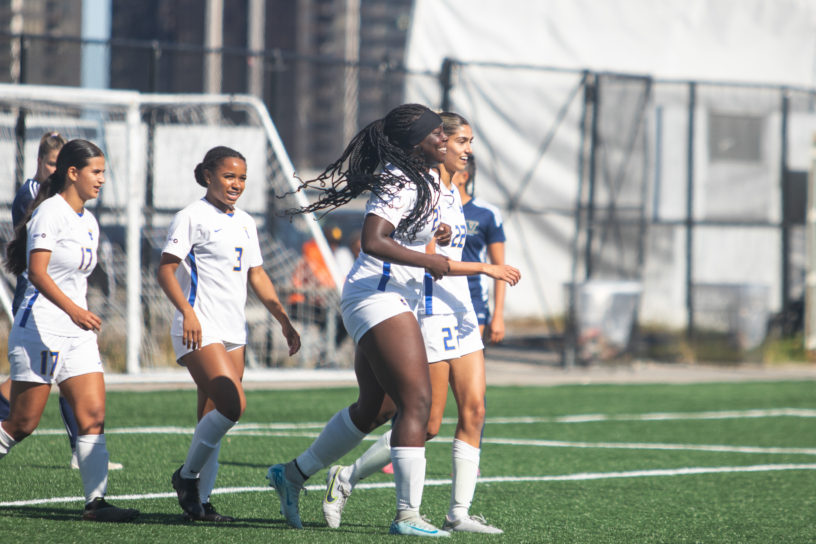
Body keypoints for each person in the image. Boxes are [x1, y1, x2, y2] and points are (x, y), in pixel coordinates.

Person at [321, 112, 519, 534]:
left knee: (476, 409)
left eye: (469, 141)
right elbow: (420, 255)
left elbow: (438, 245)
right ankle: (348, 477)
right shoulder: (423, 188)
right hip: (425, 312)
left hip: (462, 313)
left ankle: (458, 514)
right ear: (438, 142)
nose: (466, 149)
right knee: (425, 421)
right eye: (459, 139)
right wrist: (480, 267)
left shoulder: (455, 198)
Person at [267, 103, 453, 537]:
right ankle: (407, 516)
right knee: (417, 405)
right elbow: (372, 239)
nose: (444, 138)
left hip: (386, 296)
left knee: (378, 407)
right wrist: (429, 262)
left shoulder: (421, 178)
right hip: (378, 296)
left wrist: (432, 236)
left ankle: (292, 474)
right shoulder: (400, 178)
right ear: (415, 142)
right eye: (437, 133)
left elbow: (399, 233)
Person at [157, 145, 300, 522]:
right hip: (199, 328)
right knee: (233, 405)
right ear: (207, 176)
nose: (236, 184)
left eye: (241, 178)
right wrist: (186, 312)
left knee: (213, 415)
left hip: (234, 330)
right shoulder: (191, 216)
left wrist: (282, 317)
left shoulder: (245, 222)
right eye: (228, 176)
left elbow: (257, 275)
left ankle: (200, 504)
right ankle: (185, 478)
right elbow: (165, 270)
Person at [0, 139, 138, 522]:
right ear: (72, 173)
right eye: (96, 172)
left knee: (92, 415)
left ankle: (96, 503)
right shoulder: (49, 212)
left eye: (103, 172)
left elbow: (76, 279)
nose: (102, 179)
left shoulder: (89, 222)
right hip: (40, 327)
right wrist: (74, 310)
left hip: (77, 334)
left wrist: (80, 314)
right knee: (22, 423)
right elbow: (37, 274)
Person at [453, 155, 508, 343]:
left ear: (463, 176)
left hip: (473, 297)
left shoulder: (486, 213)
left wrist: (498, 315)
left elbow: (499, 267)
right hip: (437, 295)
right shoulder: (432, 207)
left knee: (470, 365)